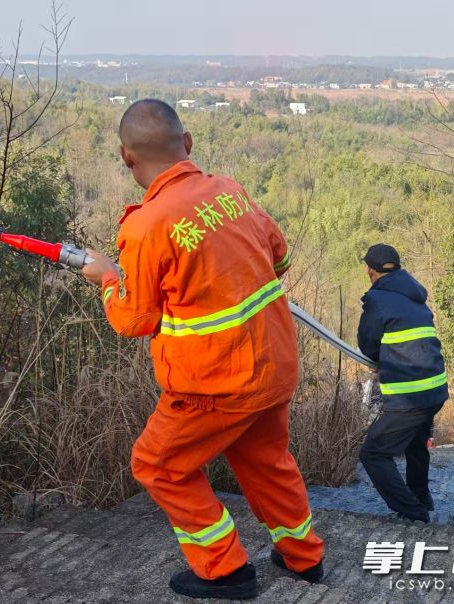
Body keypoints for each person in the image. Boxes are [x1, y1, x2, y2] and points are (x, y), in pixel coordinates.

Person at [80, 99, 324, 600]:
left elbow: (133, 320)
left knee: (158, 464)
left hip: (214, 382)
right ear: (187, 143)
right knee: (266, 459)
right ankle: (304, 557)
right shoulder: (228, 191)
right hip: (274, 363)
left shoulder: (146, 226)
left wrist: (106, 278)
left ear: (127, 157)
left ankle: (224, 569)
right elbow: (280, 258)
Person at [357, 244, 448, 523]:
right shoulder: (415, 295)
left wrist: (381, 358)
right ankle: (422, 498)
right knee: (415, 443)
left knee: (373, 453)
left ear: (371, 271)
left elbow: (368, 345)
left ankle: (413, 511)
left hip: (410, 395)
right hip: (434, 390)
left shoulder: (378, 299)